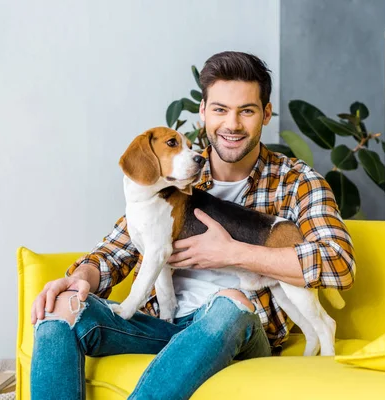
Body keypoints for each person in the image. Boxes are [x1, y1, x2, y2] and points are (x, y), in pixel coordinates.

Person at [29, 51, 356, 400]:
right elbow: (118, 249)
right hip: (163, 327)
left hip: (237, 327)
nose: (231, 124)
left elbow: (339, 264)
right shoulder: (173, 174)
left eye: (246, 111)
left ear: (266, 114)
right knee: (62, 307)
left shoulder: (297, 182)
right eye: (219, 109)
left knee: (228, 301)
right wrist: (81, 278)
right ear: (203, 112)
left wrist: (235, 253)